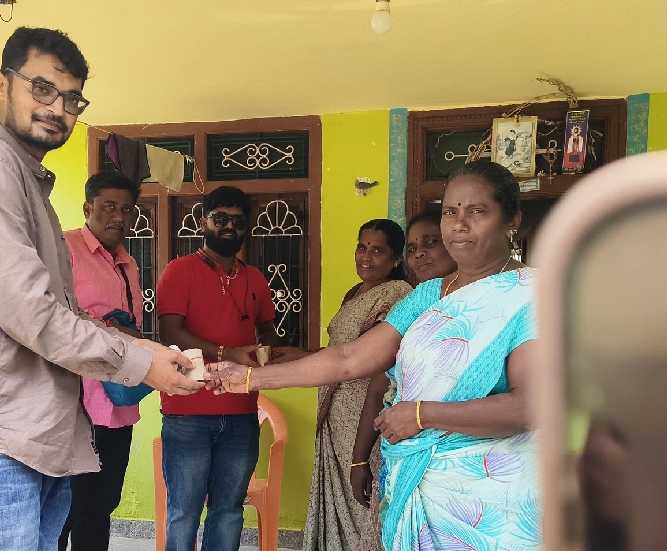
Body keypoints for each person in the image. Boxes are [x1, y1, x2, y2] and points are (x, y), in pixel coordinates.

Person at [0, 27, 201, 551]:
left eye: (71, 98)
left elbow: (57, 310)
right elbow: (31, 314)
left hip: (32, 438)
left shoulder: (26, 182)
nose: (58, 108)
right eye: (42, 88)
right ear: (1, 83)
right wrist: (137, 361)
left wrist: (144, 349)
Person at [207, 161, 541, 551]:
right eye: (451, 212)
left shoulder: (532, 296)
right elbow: (349, 359)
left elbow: (530, 407)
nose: (459, 225)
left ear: (511, 220)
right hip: (417, 489)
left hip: (495, 501)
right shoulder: (427, 296)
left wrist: (420, 414)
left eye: (477, 211)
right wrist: (247, 378)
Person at [156, 185, 278, 551]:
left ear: (247, 227)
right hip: (187, 412)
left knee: (228, 511)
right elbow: (170, 332)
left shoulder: (255, 278)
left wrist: (268, 354)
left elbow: (266, 331)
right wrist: (228, 352)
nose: (228, 227)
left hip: (242, 412)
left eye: (237, 222)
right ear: (203, 221)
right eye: (220, 219)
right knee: (184, 512)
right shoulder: (180, 271)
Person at [296, 219, 412, 551]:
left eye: (378, 250)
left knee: (363, 502)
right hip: (335, 417)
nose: (366, 256)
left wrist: (360, 456)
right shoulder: (356, 292)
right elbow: (341, 352)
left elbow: (373, 363)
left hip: (364, 417)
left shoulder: (398, 294)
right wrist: (299, 354)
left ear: (396, 259)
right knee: (341, 502)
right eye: (362, 246)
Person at [349, 209, 457, 538]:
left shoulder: (492, 304)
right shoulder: (413, 306)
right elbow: (373, 382)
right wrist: (359, 459)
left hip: (462, 463)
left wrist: (422, 415)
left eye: (430, 242)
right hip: (403, 453)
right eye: (413, 247)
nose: (420, 252)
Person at [58, 171, 146, 551]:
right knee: (65, 506)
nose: (119, 217)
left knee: (103, 502)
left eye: (127, 209)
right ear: (87, 208)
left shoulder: (128, 264)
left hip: (115, 402)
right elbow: (57, 317)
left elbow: (134, 327)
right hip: (72, 403)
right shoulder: (64, 249)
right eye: (109, 206)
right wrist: (113, 330)